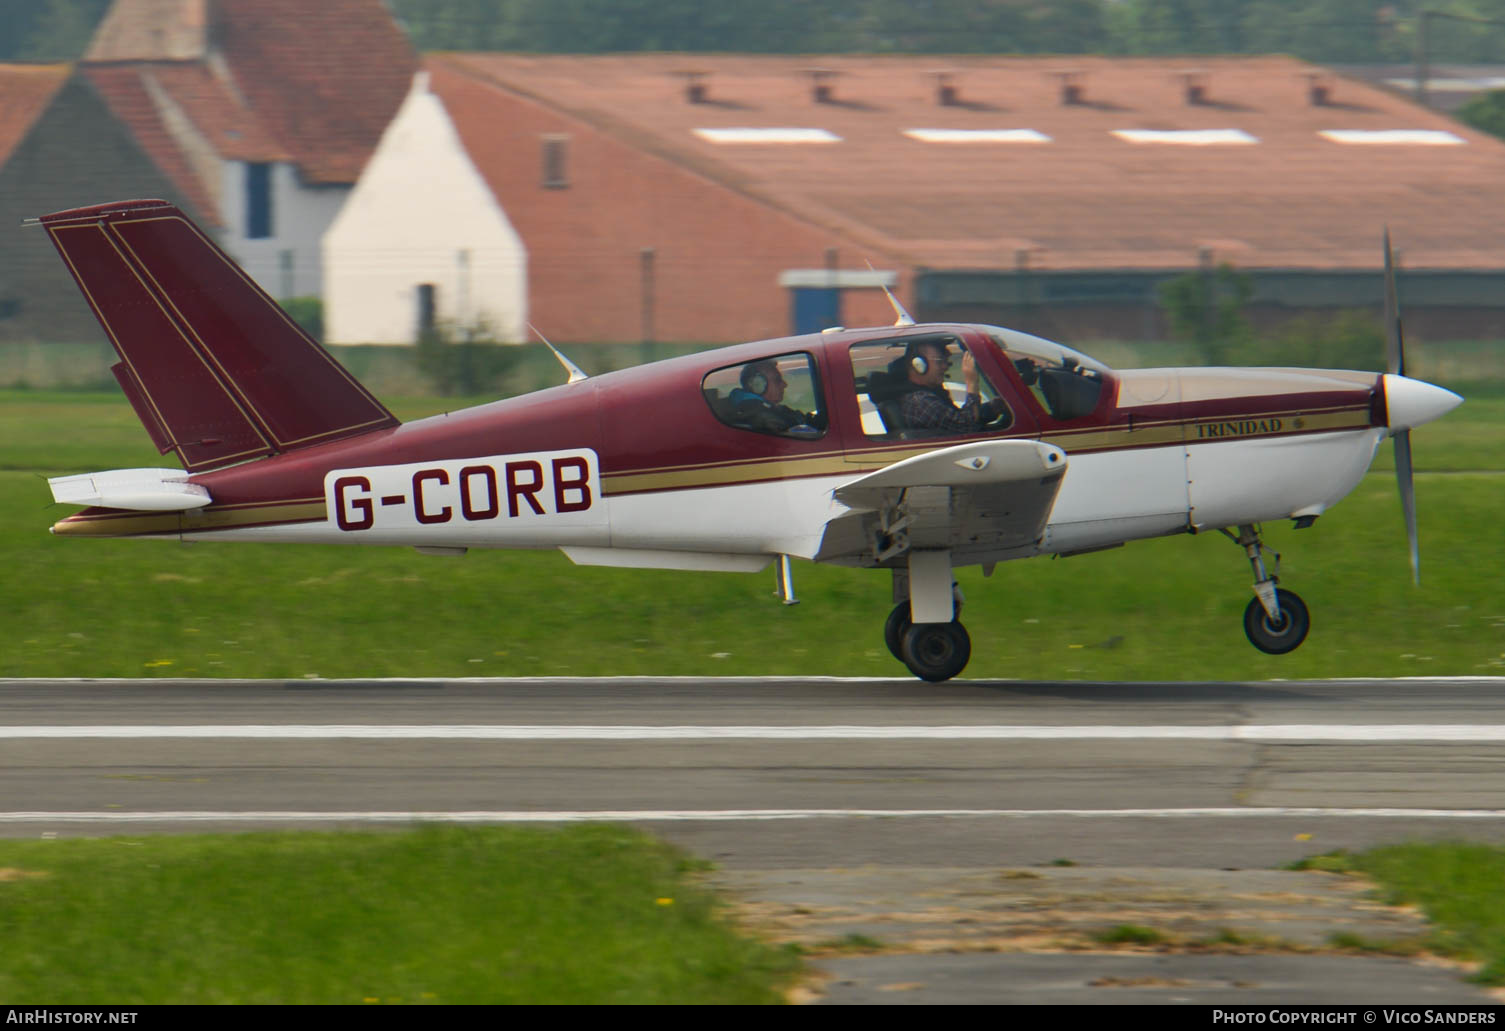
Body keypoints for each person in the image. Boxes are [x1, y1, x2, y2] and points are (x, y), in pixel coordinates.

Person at [897, 341, 1009, 433]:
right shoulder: (921, 402)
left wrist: (992, 408)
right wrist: (972, 383)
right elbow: (968, 428)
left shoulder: (926, 396)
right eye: (939, 361)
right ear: (919, 364)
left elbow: (957, 419)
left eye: (946, 362)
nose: (945, 367)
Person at [727, 359, 822, 437]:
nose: (785, 384)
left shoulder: (769, 409)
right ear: (757, 385)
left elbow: (800, 421)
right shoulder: (762, 418)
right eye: (777, 380)